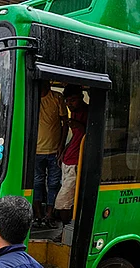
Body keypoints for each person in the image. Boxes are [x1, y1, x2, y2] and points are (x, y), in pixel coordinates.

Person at [33, 82, 67, 228]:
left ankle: (49, 214)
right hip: (35, 151)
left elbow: (65, 123)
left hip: (54, 150)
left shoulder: (56, 97)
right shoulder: (31, 97)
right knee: (37, 183)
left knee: (53, 184)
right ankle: (38, 215)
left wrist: (61, 145)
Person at [54, 86, 88, 226]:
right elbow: (76, 137)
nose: (69, 104)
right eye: (67, 101)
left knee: (62, 202)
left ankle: (66, 231)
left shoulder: (89, 112)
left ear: (81, 97)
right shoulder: (74, 113)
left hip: (76, 163)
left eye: (73, 100)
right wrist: (63, 151)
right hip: (68, 160)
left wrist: (79, 125)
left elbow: (91, 135)